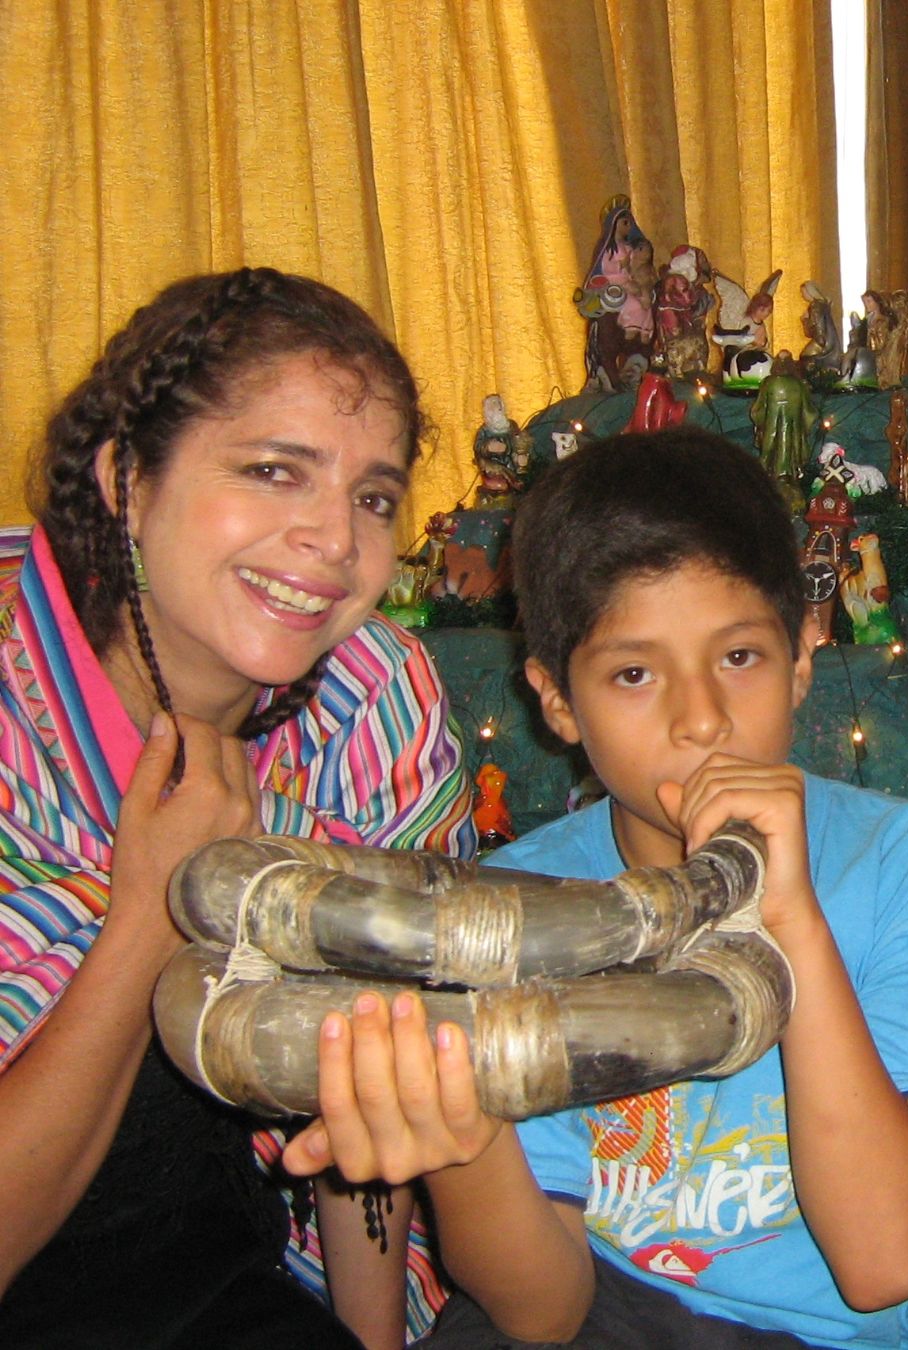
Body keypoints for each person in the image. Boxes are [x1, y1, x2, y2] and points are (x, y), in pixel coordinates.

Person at [282, 427, 908, 1349]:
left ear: (805, 655)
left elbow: (883, 1264)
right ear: (555, 701)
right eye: (632, 673)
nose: (700, 717)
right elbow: (542, 1315)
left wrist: (792, 919)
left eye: (739, 657)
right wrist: (464, 1142)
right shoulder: (514, 910)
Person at [0, 267, 475, 1348]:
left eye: (373, 496)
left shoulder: (370, 700)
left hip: (238, 1278)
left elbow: (370, 1098)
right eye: (273, 471)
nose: (334, 541)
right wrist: (153, 913)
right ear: (127, 479)